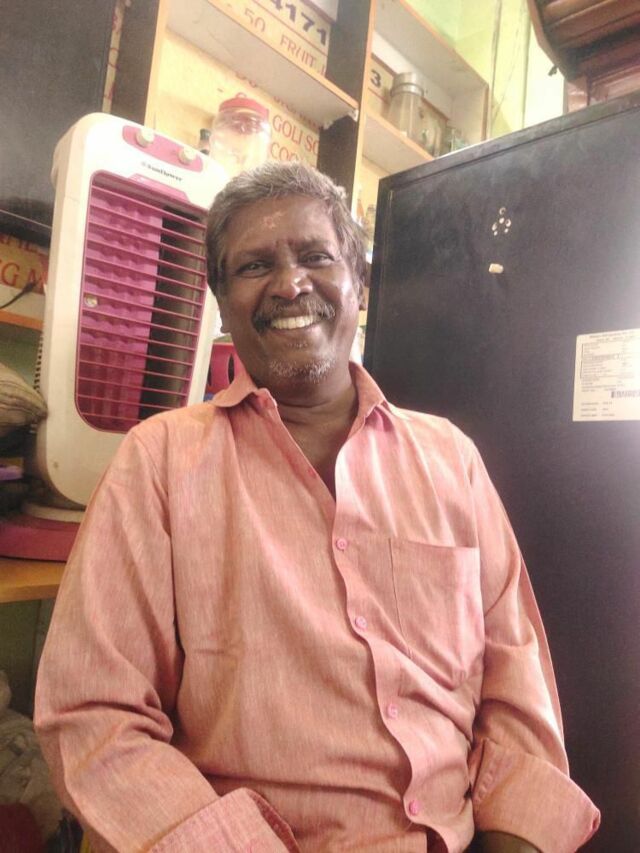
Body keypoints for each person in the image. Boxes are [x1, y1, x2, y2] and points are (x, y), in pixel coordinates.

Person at [35, 162, 600, 852]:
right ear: (222, 304)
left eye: (315, 256)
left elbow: (517, 689)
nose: (290, 283)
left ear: (357, 280)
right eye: (254, 266)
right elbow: (94, 715)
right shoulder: (158, 462)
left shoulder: (451, 459)